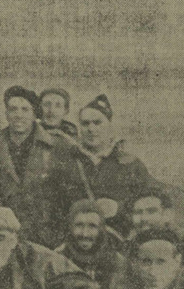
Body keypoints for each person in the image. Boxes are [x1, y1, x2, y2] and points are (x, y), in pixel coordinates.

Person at [0, 85, 72, 246]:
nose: (18, 115)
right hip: (4, 237)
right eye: (13, 109)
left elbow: (67, 196)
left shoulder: (57, 147)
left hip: (47, 238)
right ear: (6, 114)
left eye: (25, 110)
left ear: (35, 114)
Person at [50, 94, 153, 240]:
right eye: (85, 124)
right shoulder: (66, 164)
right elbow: (52, 209)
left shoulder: (131, 164)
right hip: (77, 244)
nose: (91, 129)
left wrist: (119, 208)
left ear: (110, 125)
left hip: (118, 241)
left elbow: (149, 203)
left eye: (97, 123)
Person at [127, 186, 184, 278]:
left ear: (167, 214)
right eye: (137, 212)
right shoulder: (129, 248)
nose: (143, 218)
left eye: (151, 211)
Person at [55, 199, 127, 289]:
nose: (85, 234)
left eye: (92, 226)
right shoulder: (57, 259)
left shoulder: (117, 261)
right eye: (79, 225)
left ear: (101, 229)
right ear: (70, 227)